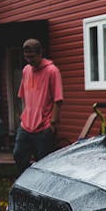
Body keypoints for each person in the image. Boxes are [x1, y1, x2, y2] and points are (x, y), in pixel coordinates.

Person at [13, 38, 63, 174]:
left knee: (44, 163)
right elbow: (22, 96)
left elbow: (58, 100)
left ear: (40, 53)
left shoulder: (52, 71)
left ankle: (41, 188)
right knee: (18, 155)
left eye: (32, 57)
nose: (29, 60)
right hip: (26, 126)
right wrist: (22, 116)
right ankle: (27, 181)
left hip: (44, 127)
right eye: (26, 57)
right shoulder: (26, 70)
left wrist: (52, 123)